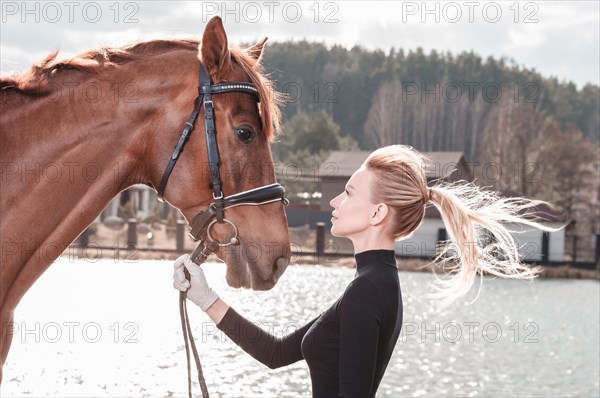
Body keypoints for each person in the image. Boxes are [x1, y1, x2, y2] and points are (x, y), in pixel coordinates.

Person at [173, 144, 555, 397]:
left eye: (350, 192)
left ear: (377, 213)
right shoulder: (372, 283)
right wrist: (204, 296)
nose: (337, 200)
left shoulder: (369, 290)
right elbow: (277, 353)